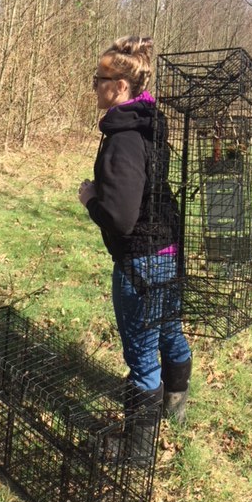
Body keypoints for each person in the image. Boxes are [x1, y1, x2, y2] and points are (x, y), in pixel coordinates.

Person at [78, 36, 192, 430]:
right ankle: (176, 409)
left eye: (99, 79)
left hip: (141, 260)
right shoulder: (148, 125)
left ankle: (138, 451)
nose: (94, 85)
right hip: (168, 249)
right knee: (170, 331)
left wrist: (91, 199)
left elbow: (120, 219)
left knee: (142, 356)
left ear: (120, 86)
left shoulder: (123, 140)